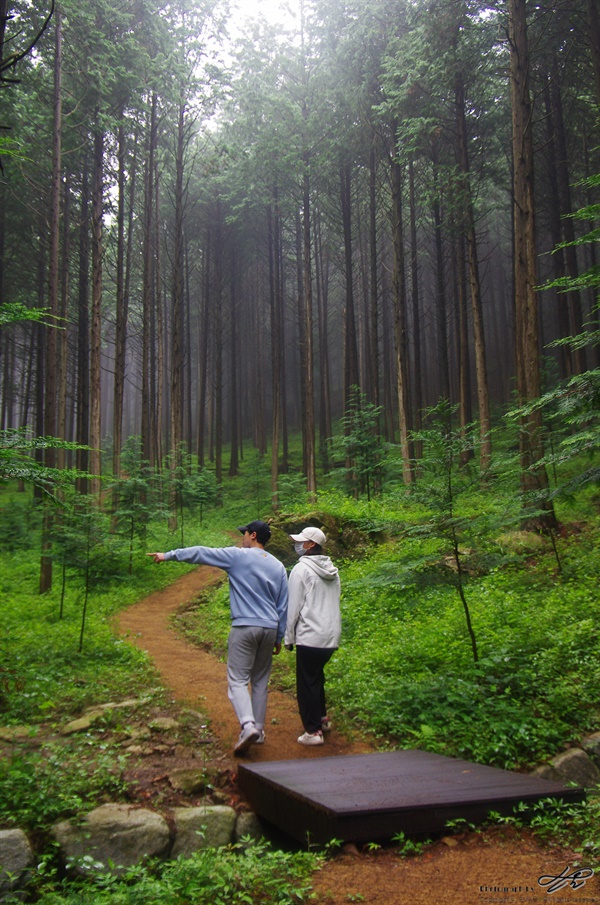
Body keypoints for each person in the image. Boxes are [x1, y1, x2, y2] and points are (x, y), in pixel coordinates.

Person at [147, 520, 288, 756]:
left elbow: (201, 553)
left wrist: (167, 555)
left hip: (244, 625)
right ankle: (260, 730)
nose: (242, 538)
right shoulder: (279, 566)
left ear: (253, 536)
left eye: (244, 534)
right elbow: (283, 604)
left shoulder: (238, 557)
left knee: (238, 679)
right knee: (261, 681)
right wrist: (279, 636)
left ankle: (247, 726)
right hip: (270, 628)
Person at [284, 526, 341, 746]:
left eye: (302, 541)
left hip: (310, 635)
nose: (297, 544)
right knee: (316, 677)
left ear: (311, 545)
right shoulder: (333, 570)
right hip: (330, 635)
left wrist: (288, 637)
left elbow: (294, 607)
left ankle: (312, 731)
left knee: (307, 681)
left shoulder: (301, 570)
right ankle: (322, 719)